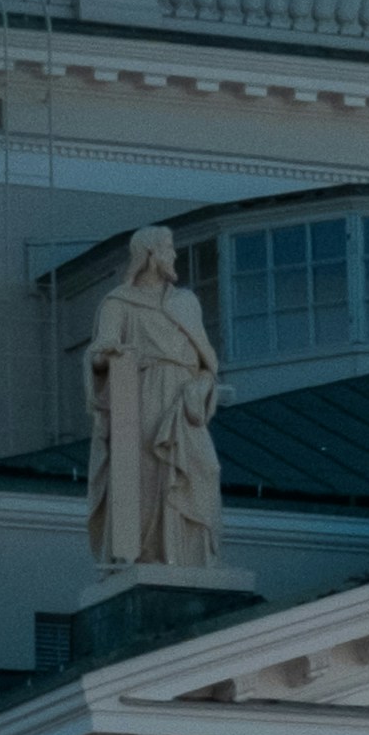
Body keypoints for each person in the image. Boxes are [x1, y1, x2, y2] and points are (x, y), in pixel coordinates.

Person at [79, 228, 227, 574]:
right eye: (169, 248)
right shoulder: (119, 302)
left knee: (204, 468)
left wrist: (202, 386)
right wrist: (112, 355)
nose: (174, 255)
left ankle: (191, 558)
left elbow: (207, 364)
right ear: (149, 254)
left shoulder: (185, 302)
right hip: (134, 388)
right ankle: (138, 558)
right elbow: (99, 355)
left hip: (182, 396)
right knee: (137, 477)